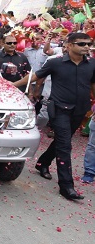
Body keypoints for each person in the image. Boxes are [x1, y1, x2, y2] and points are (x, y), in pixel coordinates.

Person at [31, 31, 95, 200]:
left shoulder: (92, 64)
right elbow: (37, 76)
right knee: (65, 145)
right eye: (82, 44)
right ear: (69, 45)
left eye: (89, 44)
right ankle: (66, 186)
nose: (86, 47)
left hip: (80, 110)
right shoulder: (55, 63)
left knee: (62, 141)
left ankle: (43, 163)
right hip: (59, 109)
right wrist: (11, 84)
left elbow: (93, 85)